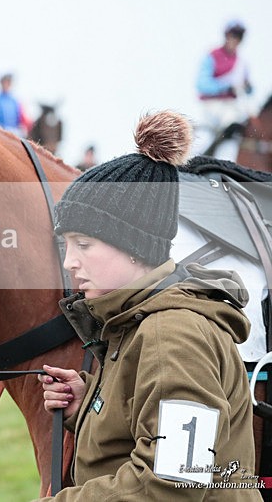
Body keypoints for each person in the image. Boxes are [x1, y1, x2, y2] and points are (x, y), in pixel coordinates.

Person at [36, 111, 259, 500]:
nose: (71, 261)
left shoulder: (171, 335)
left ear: (134, 247)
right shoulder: (136, 322)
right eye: (67, 244)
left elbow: (172, 484)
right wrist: (88, 404)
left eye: (84, 244)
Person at [196, 21, 253, 142]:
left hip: (233, 105)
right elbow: (202, 84)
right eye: (233, 36)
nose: (235, 40)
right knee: (229, 119)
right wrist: (226, 87)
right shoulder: (212, 56)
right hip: (212, 105)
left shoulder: (242, 63)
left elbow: (249, 90)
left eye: (239, 37)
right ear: (227, 36)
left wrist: (248, 87)